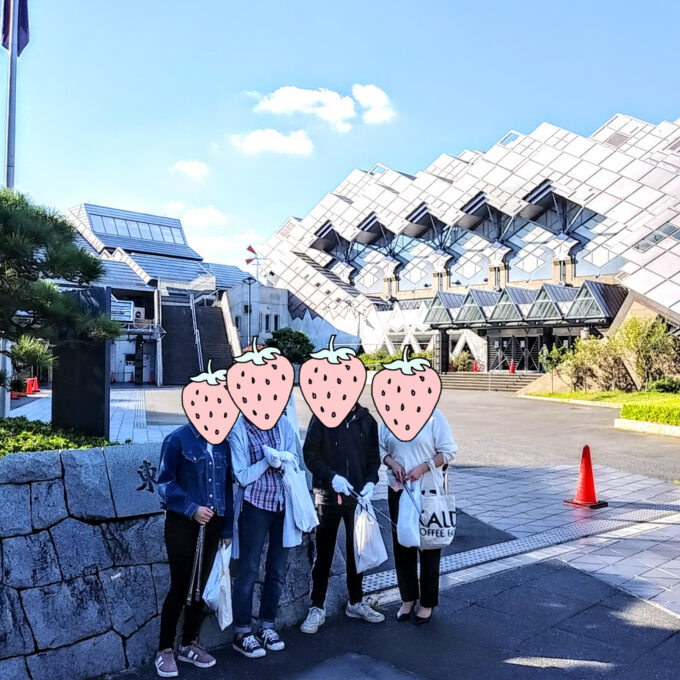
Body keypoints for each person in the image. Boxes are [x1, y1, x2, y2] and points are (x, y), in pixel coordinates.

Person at [155, 422, 234, 678]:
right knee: (181, 585)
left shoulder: (222, 443)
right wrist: (192, 509)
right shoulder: (177, 439)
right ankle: (165, 649)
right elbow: (165, 483)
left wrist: (227, 530)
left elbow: (227, 488)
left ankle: (189, 643)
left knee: (201, 583)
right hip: (182, 523)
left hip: (214, 523)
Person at [300, 402, 384, 634]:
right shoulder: (322, 416)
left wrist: (370, 482)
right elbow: (310, 455)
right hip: (328, 495)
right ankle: (317, 606)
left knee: (357, 550)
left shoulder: (367, 421)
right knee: (323, 553)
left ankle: (356, 602)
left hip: (357, 497)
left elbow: (373, 459)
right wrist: (331, 477)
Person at [228, 411, 304, 658]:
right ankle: (242, 632)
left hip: (284, 504)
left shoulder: (282, 423)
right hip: (254, 506)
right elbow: (241, 475)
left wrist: (281, 461)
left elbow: (295, 459)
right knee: (248, 569)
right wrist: (267, 461)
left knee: (277, 570)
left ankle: (267, 625)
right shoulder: (238, 428)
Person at [380, 408, 456, 624]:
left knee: (429, 544)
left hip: (427, 490)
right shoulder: (388, 414)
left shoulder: (434, 416)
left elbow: (449, 451)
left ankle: (427, 602)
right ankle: (408, 598)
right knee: (402, 544)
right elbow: (380, 448)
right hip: (399, 490)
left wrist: (423, 468)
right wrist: (393, 463)